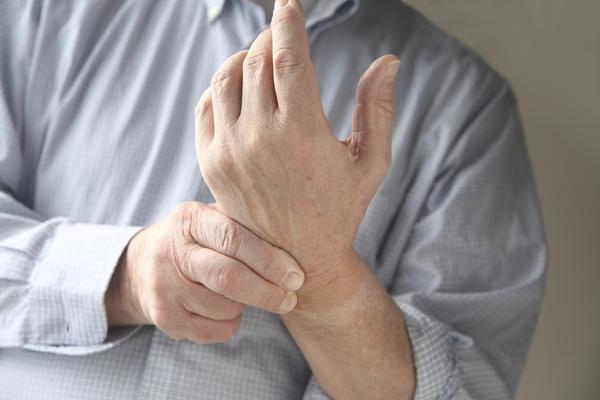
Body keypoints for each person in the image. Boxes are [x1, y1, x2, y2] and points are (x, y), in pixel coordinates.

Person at [0, 0, 546, 399]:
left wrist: (326, 283)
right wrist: (128, 276)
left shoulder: (469, 112)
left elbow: (466, 388)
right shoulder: (42, 12)